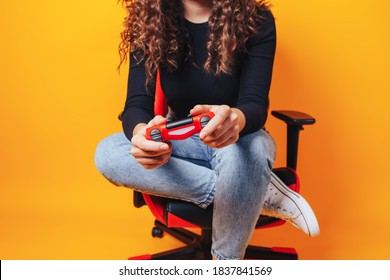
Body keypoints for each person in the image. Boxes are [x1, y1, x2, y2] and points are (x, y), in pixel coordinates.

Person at [95, 0, 319, 260]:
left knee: (250, 150)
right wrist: (141, 133)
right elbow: (137, 105)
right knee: (108, 153)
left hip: (238, 136)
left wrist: (236, 119)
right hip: (183, 139)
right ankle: (265, 194)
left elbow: (255, 104)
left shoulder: (255, 18)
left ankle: (225, 265)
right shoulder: (149, 19)